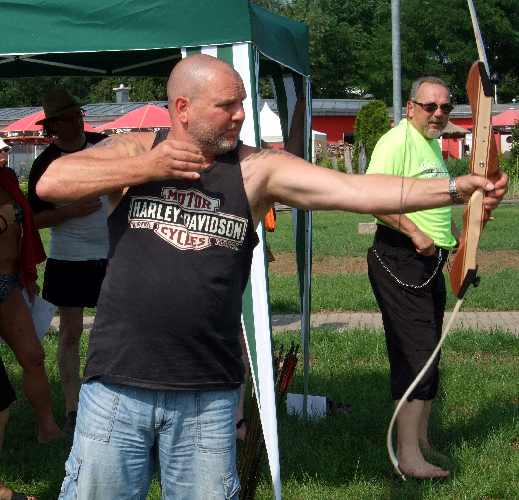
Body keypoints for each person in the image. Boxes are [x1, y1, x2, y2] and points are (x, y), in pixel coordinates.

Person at [36, 56, 506, 499]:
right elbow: (51, 183)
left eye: (242, 103)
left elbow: (354, 190)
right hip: (117, 386)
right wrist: (148, 168)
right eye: (227, 106)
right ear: (182, 108)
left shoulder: (256, 169)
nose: (241, 115)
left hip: (207, 394)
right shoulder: (139, 150)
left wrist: (452, 188)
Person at [366, 76, 467, 478]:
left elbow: (430, 198)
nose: (439, 114)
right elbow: (372, 196)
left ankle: (421, 441)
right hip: (400, 256)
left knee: (429, 350)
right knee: (417, 353)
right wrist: (414, 232)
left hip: (428, 259)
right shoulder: (396, 141)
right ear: (410, 108)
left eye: (445, 107)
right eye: (430, 106)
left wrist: (449, 234)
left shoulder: (429, 145)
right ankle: (408, 456)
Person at [27, 88, 108, 435]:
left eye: (76, 115)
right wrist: (70, 211)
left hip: (112, 255)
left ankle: (110, 402)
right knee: (70, 334)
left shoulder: (105, 146)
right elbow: (32, 220)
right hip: (68, 258)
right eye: (64, 118)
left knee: (113, 331)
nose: (74, 122)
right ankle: (73, 408)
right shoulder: (44, 162)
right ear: (53, 125)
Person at [0, 138, 62, 445]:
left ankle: (47, 428)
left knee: (34, 356)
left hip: (8, 283)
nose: (3, 155)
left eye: (3, 151)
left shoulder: (8, 180)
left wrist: (26, 274)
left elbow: (23, 229)